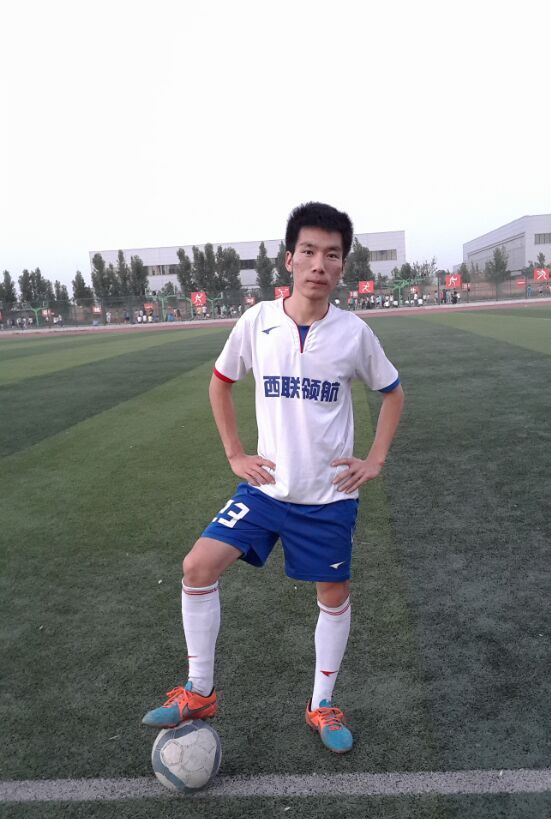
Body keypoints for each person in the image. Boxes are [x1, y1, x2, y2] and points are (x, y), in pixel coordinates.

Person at [141, 202, 404, 753]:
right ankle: (199, 691)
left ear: (342, 265)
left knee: (333, 594)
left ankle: (321, 704)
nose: (319, 264)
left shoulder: (353, 333)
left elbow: (392, 393)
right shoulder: (257, 321)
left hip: (328, 498)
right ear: (290, 259)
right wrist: (236, 454)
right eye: (308, 251)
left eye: (332, 254)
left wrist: (374, 460)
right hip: (265, 490)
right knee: (197, 567)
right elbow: (220, 382)